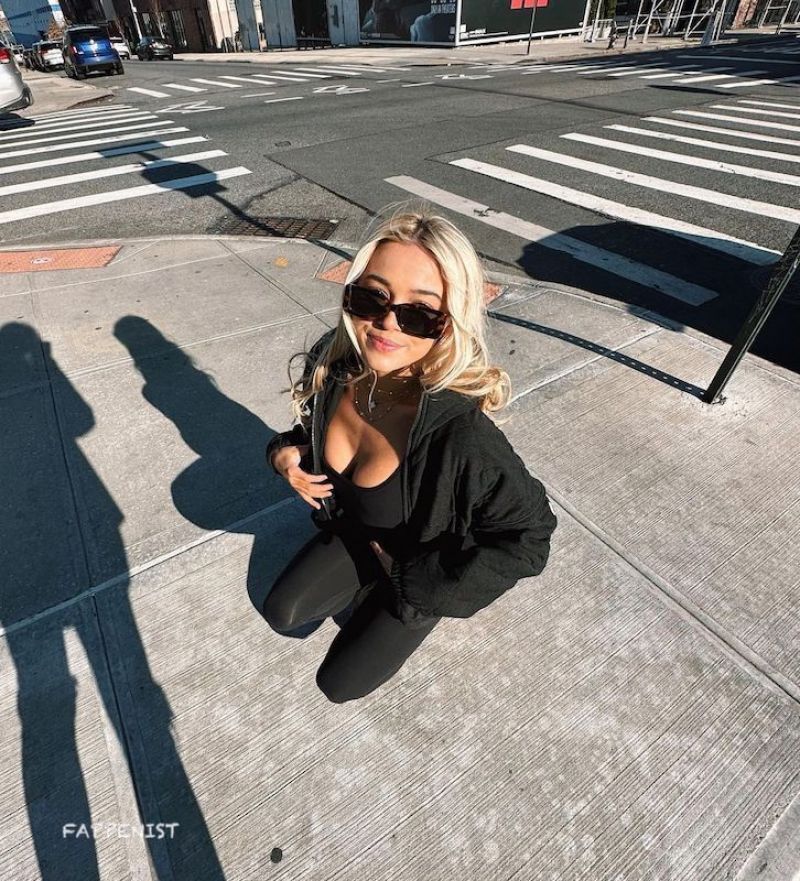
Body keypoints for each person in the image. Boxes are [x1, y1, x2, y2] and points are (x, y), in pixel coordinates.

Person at [263, 208, 557, 703]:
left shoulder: (462, 437)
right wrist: (284, 458)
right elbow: (303, 434)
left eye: (418, 313)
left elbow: (530, 537)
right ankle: (365, 589)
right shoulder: (336, 367)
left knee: (337, 685)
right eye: (371, 297)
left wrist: (428, 585)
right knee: (281, 612)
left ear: (449, 324)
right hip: (357, 534)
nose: (385, 323)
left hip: (417, 566)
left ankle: (398, 604)